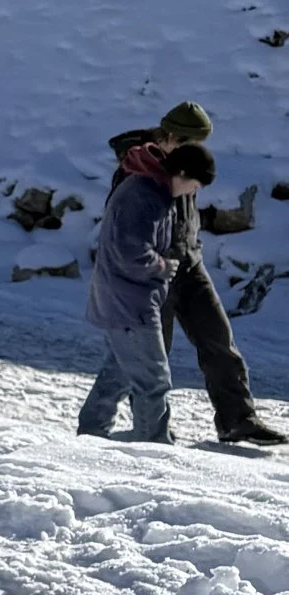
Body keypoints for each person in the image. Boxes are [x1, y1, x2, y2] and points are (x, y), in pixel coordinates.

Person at [101, 104, 285, 448]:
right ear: (171, 136)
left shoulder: (183, 159)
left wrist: (190, 248)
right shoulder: (135, 170)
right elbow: (124, 232)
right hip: (155, 273)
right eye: (191, 141)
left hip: (189, 264)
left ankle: (237, 420)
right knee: (150, 354)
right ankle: (147, 431)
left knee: (218, 338)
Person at [80, 133, 219, 442]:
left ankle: (90, 436)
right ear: (182, 174)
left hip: (128, 299)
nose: (193, 193)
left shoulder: (155, 189)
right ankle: (153, 450)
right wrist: (163, 266)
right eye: (194, 185)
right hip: (131, 302)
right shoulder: (144, 195)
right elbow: (131, 252)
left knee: (118, 374)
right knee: (154, 381)